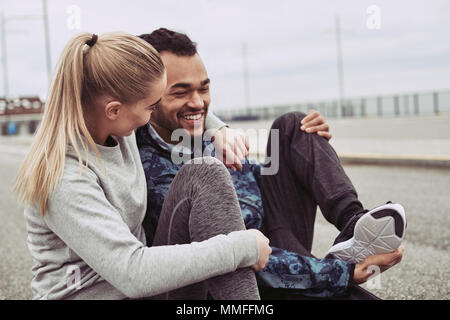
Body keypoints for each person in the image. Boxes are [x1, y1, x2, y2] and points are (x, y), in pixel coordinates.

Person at [136, 28, 406, 300]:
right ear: (149, 95)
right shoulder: (144, 168)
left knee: (293, 125)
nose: (198, 102)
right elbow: (231, 254)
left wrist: (306, 151)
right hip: (238, 280)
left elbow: (255, 178)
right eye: (180, 92)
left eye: (204, 88)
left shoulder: (210, 138)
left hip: (279, 244)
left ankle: (353, 222)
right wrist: (339, 273)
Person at [12, 32, 272, 300]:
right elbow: (132, 273)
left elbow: (183, 107)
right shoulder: (64, 177)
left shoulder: (117, 129)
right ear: (113, 110)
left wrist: (218, 128)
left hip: (143, 292)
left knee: (204, 173)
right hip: (120, 286)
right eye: (152, 106)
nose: (155, 113)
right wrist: (241, 247)